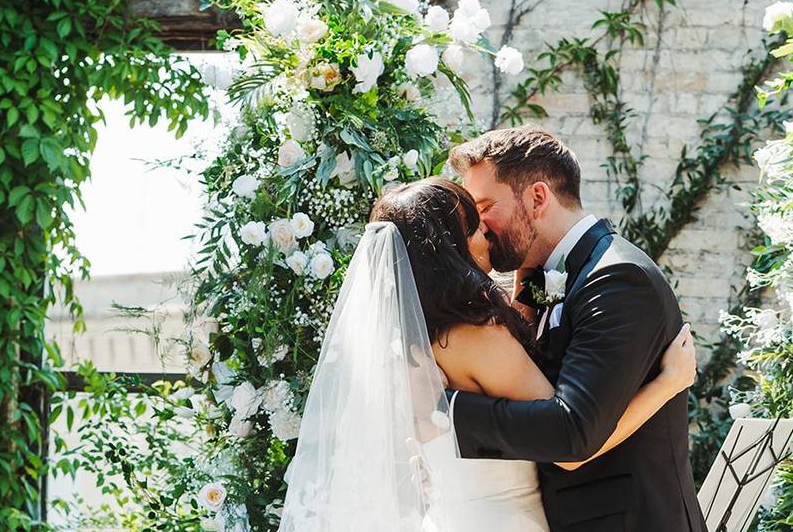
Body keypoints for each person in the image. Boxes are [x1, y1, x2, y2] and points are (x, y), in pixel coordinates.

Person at [278, 176, 696, 532]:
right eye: (475, 226)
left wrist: (526, 291)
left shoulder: (410, 339)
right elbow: (569, 443)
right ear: (450, 245)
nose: (488, 237)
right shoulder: (477, 336)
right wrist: (667, 385)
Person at [444, 126, 707, 532]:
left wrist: (446, 410)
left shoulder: (617, 279)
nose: (479, 226)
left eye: (484, 207)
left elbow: (572, 435)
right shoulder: (552, 273)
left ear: (537, 198)